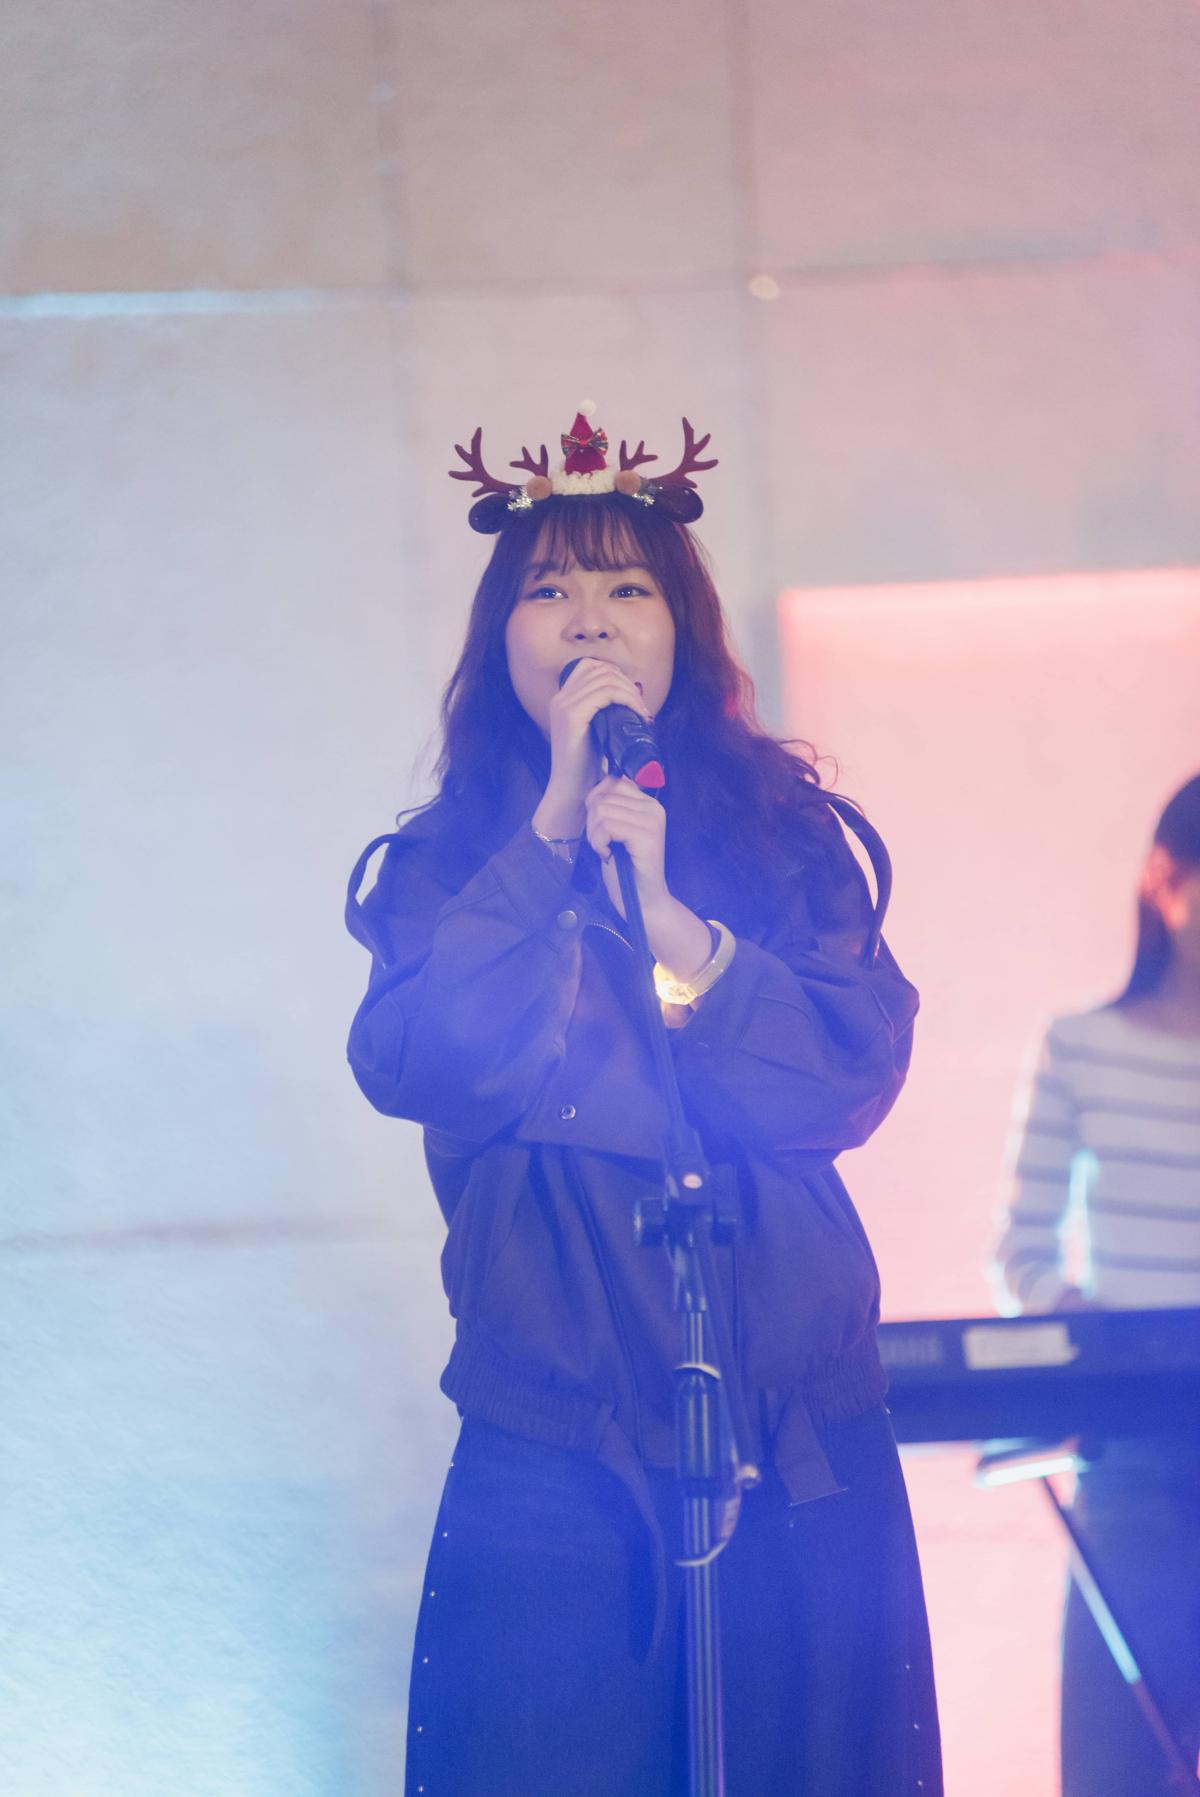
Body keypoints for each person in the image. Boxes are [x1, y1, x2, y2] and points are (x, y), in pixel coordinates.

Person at [345, 407, 942, 1796]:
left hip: (798, 1428)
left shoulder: (790, 838)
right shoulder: (442, 865)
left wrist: (677, 923)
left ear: (685, 629)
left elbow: (850, 1073)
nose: (591, 621)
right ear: (502, 635)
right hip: (551, 1444)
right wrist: (553, 825)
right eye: (550, 590)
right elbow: (425, 1060)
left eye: (627, 588)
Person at [992, 773, 1200, 1797]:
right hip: (1136, 1449)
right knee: (1119, 1765)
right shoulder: (1083, 1045)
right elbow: (1021, 1250)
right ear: (1166, 881)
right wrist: (1090, 1333)